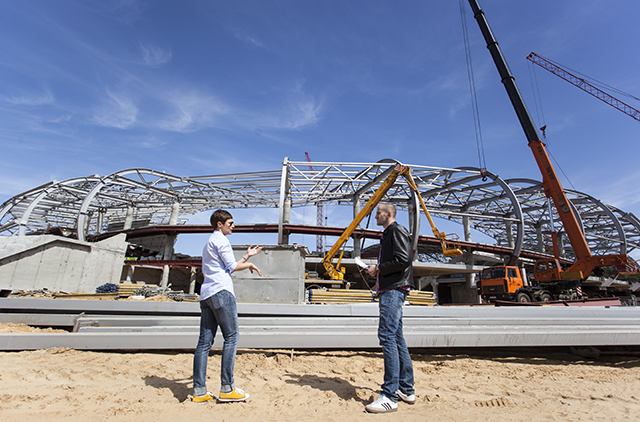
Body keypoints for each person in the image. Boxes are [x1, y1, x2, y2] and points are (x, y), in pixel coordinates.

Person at [192, 209, 263, 404]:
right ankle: (227, 388)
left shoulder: (209, 243)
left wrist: (247, 257)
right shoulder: (222, 241)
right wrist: (248, 265)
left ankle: (199, 391)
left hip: (206, 294)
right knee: (231, 337)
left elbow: (225, 267)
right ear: (219, 225)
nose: (233, 226)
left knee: (204, 344)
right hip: (221, 293)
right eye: (230, 223)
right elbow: (231, 268)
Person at [364, 203, 416, 413]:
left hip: (393, 289)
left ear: (388, 214)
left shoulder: (397, 230)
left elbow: (404, 259)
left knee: (386, 335)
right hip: (392, 288)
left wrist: (378, 268)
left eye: (378, 213)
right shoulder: (389, 233)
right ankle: (406, 389)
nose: (375, 216)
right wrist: (376, 270)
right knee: (396, 337)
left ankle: (389, 395)